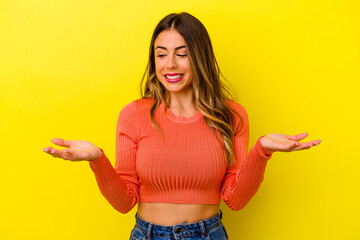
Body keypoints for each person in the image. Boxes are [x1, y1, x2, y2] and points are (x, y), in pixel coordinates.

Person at [42, 12, 321, 240]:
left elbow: (234, 199)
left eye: (182, 54)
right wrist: (97, 159)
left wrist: (262, 151)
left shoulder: (231, 116)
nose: (170, 65)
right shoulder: (134, 114)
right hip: (147, 235)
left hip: (208, 234)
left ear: (199, 57)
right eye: (161, 54)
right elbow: (123, 202)